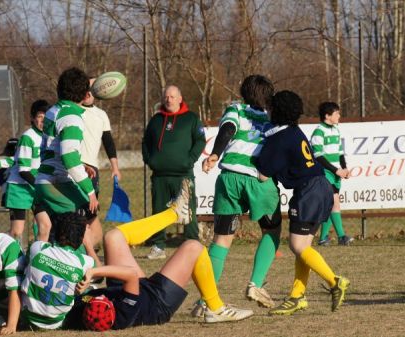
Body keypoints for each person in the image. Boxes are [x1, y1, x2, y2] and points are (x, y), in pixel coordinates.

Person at [65, 180, 254, 330]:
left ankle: (175, 213)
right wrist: (93, 273)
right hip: (156, 301)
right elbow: (129, 273)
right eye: (103, 302)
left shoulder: (81, 311)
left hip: (126, 289)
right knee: (193, 247)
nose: (98, 299)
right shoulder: (122, 313)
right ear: (110, 309)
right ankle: (216, 307)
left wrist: (88, 245)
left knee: (113, 237)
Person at [256, 90, 350, 315]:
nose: (268, 111)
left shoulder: (278, 138)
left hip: (308, 191)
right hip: (322, 186)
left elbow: (263, 175)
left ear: (277, 111)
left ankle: (335, 281)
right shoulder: (294, 130)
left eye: (271, 108)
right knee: (304, 248)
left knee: (296, 246)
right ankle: (297, 296)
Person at [197, 75, 281, 313]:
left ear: (243, 93)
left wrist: (215, 153)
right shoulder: (271, 118)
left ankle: (206, 301)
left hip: (229, 177)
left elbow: (228, 129)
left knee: (221, 240)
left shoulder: (235, 109)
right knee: (272, 231)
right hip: (257, 179)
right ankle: (255, 283)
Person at [34, 67, 98, 251]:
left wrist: (81, 164)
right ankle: (78, 272)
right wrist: (90, 191)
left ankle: (47, 267)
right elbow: (69, 159)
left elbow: (54, 148)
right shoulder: (71, 117)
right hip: (55, 181)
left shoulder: (54, 110)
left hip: (44, 180)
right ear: (86, 95)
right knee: (76, 224)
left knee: (55, 230)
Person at [142, 85, 205, 260]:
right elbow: (145, 142)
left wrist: (189, 160)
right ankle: (158, 247)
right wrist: (150, 160)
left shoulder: (191, 119)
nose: (168, 99)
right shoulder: (156, 120)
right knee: (158, 213)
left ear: (179, 98)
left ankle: (193, 245)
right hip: (159, 176)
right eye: (166, 96)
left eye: (172, 96)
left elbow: (200, 141)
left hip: (183, 175)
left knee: (188, 212)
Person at [0, 100, 52, 246]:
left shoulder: (49, 137)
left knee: (45, 226)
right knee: (16, 231)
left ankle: (37, 260)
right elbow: (23, 171)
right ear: (32, 118)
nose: (44, 120)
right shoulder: (27, 137)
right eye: (40, 116)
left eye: (47, 117)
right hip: (20, 188)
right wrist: (41, 186)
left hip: (36, 188)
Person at [80, 78, 121, 255]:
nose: (89, 92)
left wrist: (115, 167)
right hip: (71, 168)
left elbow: (108, 143)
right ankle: (81, 251)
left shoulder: (101, 115)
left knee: (90, 215)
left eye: (93, 88)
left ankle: (88, 251)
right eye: (86, 87)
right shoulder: (72, 112)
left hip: (91, 171)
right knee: (75, 214)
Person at [310, 102, 353, 246]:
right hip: (324, 173)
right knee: (335, 203)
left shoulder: (335, 130)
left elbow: (340, 153)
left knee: (330, 205)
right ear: (327, 116)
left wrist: (344, 168)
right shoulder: (319, 131)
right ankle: (342, 237)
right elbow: (318, 156)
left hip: (335, 173)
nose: (339, 115)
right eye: (337, 113)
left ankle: (323, 238)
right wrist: (336, 170)